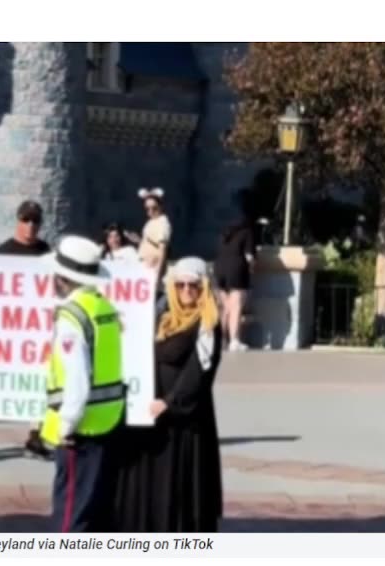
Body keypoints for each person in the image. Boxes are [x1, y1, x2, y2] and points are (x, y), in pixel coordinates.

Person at [113, 256, 224, 532]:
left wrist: (171, 402)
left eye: (193, 285)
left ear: (203, 288)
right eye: (181, 284)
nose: (187, 290)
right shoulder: (162, 319)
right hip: (153, 417)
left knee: (179, 491)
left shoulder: (207, 325)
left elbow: (198, 373)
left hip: (185, 425)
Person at [39, 235, 125, 532]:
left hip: (81, 431)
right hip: (108, 423)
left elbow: (78, 378)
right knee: (98, 514)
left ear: (63, 278)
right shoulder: (103, 307)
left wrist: (65, 425)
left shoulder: (71, 317)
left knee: (70, 520)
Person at [0, 199, 53, 459]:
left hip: (36, 329)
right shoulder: (4, 251)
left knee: (40, 380)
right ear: (18, 221)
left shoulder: (46, 252)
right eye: (26, 220)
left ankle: (34, 436)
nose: (30, 226)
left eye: (35, 221)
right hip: (6, 329)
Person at [214, 217, 255, 353]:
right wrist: (252, 267)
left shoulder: (223, 233)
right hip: (236, 270)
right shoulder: (246, 232)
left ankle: (220, 341)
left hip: (219, 269)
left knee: (225, 308)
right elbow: (249, 256)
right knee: (236, 306)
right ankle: (234, 340)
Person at [131, 187, 171, 276]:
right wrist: (140, 241)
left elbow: (162, 249)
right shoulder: (151, 222)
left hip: (152, 271)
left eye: (154, 208)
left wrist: (157, 272)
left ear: (161, 206)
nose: (150, 212)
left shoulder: (162, 223)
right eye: (147, 209)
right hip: (145, 268)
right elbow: (152, 243)